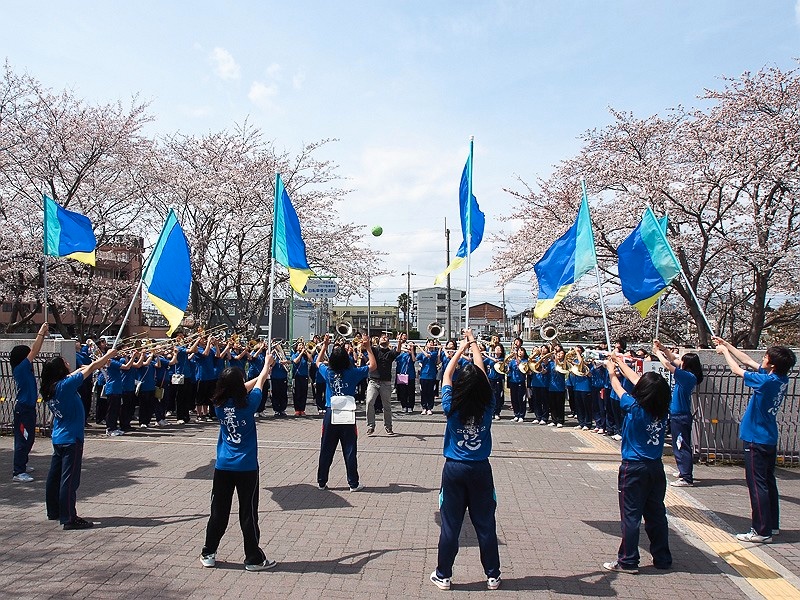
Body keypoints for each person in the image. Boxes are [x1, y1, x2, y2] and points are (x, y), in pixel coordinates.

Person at [430, 329, 501, 591]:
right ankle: (492, 575)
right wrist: (473, 345)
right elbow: (481, 374)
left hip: (454, 469)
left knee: (451, 524)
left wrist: (460, 349)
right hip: (481, 469)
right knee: (485, 524)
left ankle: (443, 574)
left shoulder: (452, 405)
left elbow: (448, 374)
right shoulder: (489, 404)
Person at [714, 336, 796, 544]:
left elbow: (738, 370)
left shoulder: (767, 381)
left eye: (766, 357)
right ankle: (772, 525)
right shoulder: (779, 379)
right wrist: (727, 345)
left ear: (773, 365)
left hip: (755, 438)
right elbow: (748, 361)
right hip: (767, 438)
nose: (763, 358)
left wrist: (724, 354)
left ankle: (760, 530)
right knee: (768, 482)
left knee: (757, 484)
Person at [200, 354, 276, 571]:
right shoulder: (249, 404)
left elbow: (241, 387)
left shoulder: (218, 405)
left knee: (218, 512)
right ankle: (253, 558)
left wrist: (264, 371)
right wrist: (264, 368)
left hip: (223, 467)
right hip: (246, 468)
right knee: (248, 514)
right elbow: (256, 385)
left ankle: (209, 552)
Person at [602, 354, 672, 574]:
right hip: (655, 468)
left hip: (633, 468)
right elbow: (639, 382)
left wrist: (612, 372)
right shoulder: (662, 407)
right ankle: (662, 558)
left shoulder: (635, 408)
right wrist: (621, 363)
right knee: (656, 515)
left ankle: (628, 560)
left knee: (631, 516)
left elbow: (619, 388)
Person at [41, 346, 116, 529]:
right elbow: (89, 370)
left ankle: (54, 510)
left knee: (54, 478)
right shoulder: (65, 386)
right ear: (60, 369)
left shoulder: (52, 386)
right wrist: (107, 356)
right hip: (71, 438)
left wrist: (96, 362)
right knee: (69, 480)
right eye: (65, 363)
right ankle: (69, 518)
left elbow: (81, 370)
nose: (69, 364)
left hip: (59, 438)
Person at [315, 334, 376, 491]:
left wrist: (324, 345)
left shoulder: (328, 372)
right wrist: (368, 348)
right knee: (349, 448)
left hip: (331, 412)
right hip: (348, 413)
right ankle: (353, 483)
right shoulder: (352, 373)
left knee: (326, 447)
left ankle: (322, 481)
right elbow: (373, 366)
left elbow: (318, 362)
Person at [652, 340, 704, 487]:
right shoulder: (687, 374)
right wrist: (662, 348)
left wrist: (657, 353)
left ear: (687, 364)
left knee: (682, 445)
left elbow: (668, 364)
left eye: (682, 360)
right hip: (677, 414)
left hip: (681, 415)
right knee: (678, 444)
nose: (679, 361)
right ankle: (683, 471)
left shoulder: (688, 376)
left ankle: (687, 477)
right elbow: (673, 360)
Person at [11, 322, 49, 482]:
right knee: (23, 439)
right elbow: (34, 350)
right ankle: (18, 471)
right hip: (23, 409)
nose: (31, 359)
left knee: (29, 438)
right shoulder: (20, 369)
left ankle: (23, 464)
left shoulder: (24, 369)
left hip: (28, 409)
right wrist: (41, 332)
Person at [365, 333, 399, 436]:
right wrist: (365, 341)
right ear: (379, 340)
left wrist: (400, 342)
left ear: (388, 342)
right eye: (382, 337)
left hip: (386, 382)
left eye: (386, 337)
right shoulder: (374, 350)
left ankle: (388, 427)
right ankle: (371, 426)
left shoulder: (390, 352)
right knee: (369, 402)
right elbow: (367, 348)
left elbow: (397, 351)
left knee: (387, 406)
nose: (384, 338)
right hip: (373, 381)